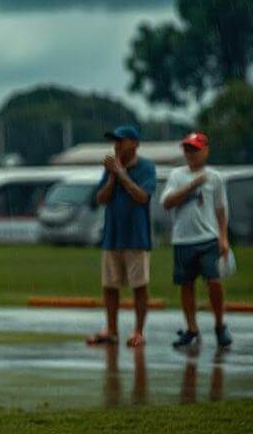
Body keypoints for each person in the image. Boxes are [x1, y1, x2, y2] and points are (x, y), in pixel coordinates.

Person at [160, 132, 232, 349]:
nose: (190, 154)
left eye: (195, 149)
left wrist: (223, 236)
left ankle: (220, 325)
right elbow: (167, 202)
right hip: (183, 239)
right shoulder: (176, 175)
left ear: (205, 151)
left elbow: (221, 209)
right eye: (187, 150)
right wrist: (191, 186)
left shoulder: (215, 177)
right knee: (186, 284)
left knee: (214, 281)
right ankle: (192, 328)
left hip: (208, 237)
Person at [87, 125, 156, 348]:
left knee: (139, 286)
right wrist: (112, 177)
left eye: (121, 141)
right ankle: (112, 330)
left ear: (134, 144)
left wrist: (121, 174)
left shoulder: (146, 167)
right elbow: (101, 199)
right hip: (112, 235)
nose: (116, 145)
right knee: (109, 285)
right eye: (114, 141)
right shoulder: (110, 169)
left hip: (136, 236)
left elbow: (143, 196)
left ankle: (138, 331)